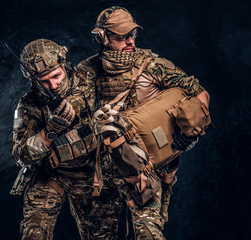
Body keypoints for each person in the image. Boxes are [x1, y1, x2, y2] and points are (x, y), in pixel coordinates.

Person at [77, 6, 210, 239]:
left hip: (144, 169)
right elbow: (76, 114)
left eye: (132, 34)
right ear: (102, 38)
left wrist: (191, 132)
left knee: (148, 234)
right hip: (102, 171)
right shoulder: (87, 71)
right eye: (121, 36)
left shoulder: (151, 64)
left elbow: (200, 94)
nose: (129, 41)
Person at [11, 39, 123, 240]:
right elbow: (20, 156)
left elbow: (123, 60)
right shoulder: (26, 106)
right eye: (43, 81)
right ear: (32, 79)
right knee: (34, 234)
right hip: (51, 173)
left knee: (101, 236)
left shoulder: (87, 76)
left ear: (64, 65)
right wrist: (49, 132)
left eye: (56, 76)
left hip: (91, 172)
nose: (53, 85)